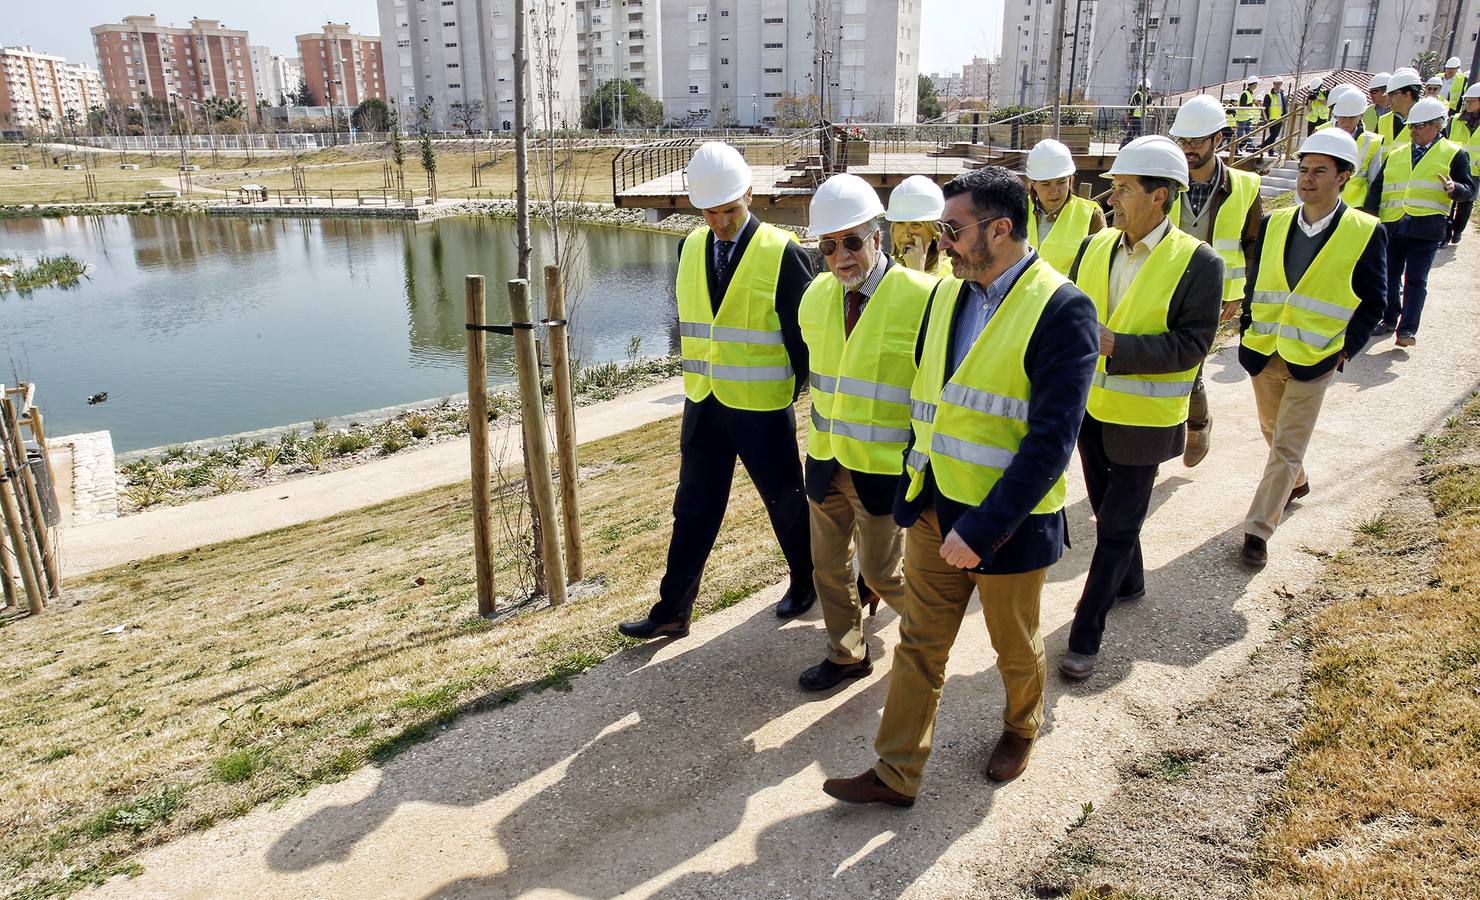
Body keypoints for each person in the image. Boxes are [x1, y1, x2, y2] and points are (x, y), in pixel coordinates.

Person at [821, 167, 1098, 805]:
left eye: (954, 228)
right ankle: (896, 772)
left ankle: (1024, 723)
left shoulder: (1062, 310)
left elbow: (1050, 445)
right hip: (933, 508)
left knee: (1013, 645)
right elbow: (931, 402)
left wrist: (981, 530)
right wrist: (913, 493)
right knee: (920, 641)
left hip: (1006, 527)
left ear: (1000, 229)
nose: (942, 240)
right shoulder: (948, 295)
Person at [618, 142, 817, 641]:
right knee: (693, 508)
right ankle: (673, 609)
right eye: (709, 212)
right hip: (704, 404)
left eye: (729, 210)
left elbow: (805, 342)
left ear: (749, 194)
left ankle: (805, 580)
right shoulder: (688, 248)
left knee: (785, 501)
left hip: (762, 410)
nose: (721, 222)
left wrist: (786, 391)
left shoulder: (782, 251)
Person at [1058, 135, 1223, 681]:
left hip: (1146, 421)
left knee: (1115, 526)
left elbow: (1193, 346)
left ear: (1160, 195)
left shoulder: (1199, 263)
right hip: (1091, 412)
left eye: (1124, 189)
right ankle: (1130, 581)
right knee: (1110, 514)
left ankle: (1086, 632)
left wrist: (1116, 347)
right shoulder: (1094, 248)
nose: (1112, 199)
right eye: (1113, 188)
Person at [795, 174, 936, 691]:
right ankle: (846, 654)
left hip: (883, 468)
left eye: (852, 241)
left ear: (878, 236)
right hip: (826, 460)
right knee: (827, 569)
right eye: (829, 246)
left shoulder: (924, 296)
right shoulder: (814, 298)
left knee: (882, 574)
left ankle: (932, 634)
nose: (841, 256)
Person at [1237, 130, 1387, 568]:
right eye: (1304, 169)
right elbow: (1256, 282)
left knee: (1286, 442)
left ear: (1342, 177)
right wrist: (1248, 325)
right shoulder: (1275, 223)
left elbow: (1375, 299)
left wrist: (1345, 351)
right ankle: (1296, 482)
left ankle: (1258, 529)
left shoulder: (1365, 231)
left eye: (1320, 170)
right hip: (1265, 350)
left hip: (1317, 356)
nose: (1307, 179)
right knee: (1273, 432)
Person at [1167, 95, 1262, 468]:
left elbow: (1252, 245)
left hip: (1215, 293)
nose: (1188, 150)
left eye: (1196, 142)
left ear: (1218, 140)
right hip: (1167, 286)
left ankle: (1197, 424)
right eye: (1183, 142)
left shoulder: (1246, 186)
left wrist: (1240, 295)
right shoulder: (1168, 181)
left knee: (1192, 364)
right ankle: (1185, 424)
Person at [1364, 97, 1474, 347]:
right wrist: (1371, 217)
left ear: (1437, 126)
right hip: (1393, 226)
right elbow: (1377, 189)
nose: (1413, 131)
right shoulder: (1397, 154)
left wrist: (1454, 188)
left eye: (1419, 126)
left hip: (1427, 227)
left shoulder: (1454, 154)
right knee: (1389, 277)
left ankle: (1407, 330)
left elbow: (1469, 190)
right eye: (1411, 126)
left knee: (1415, 280)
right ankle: (1389, 318)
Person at [1025, 138, 1106, 274]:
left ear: (1070, 180)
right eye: (1046, 184)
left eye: (1061, 182)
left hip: (1069, 294)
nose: (1055, 191)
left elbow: (1100, 267)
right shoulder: (1017, 210)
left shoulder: (1091, 214)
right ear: (1033, 184)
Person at [1326, 88, 1385, 207]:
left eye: (1352, 117)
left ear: (1361, 115)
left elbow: (1374, 181)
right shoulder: (1322, 134)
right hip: (1324, 204)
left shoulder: (1372, 142)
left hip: (1355, 207)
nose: (1346, 123)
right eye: (1342, 117)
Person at [886, 175, 951, 278]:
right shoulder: (886, 271)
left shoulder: (953, 272)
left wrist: (916, 273)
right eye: (900, 223)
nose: (906, 232)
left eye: (915, 224)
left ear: (934, 230)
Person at [1447, 84, 1480, 244]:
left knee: (1466, 203)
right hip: (1454, 164)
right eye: (1466, 101)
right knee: (1449, 200)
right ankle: (1445, 233)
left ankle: (1457, 231)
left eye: (1471, 101)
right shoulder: (1455, 121)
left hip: (1475, 170)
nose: (1468, 104)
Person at [1378, 69, 1423, 147]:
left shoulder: (1427, 123)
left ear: (1407, 95)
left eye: (1392, 94)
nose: (1388, 99)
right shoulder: (1383, 121)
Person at [1263, 76, 1290, 149]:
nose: (1277, 85)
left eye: (1279, 84)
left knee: (1275, 135)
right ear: (1273, 84)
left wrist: (1285, 115)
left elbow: (1284, 105)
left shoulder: (1282, 94)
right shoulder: (1269, 95)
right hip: (1272, 117)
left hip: (1280, 117)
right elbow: (1266, 108)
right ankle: (1265, 147)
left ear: (1281, 84)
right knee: (1273, 134)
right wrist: (1267, 118)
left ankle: (1265, 147)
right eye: (1276, 84)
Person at [1238, 76, 1260, 149]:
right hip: (1242, 117)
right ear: (1253, 84)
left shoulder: (1250, 93)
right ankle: (1236, 147)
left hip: (1247, 117)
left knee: (1249, 132)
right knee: (1240, 133)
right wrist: (1252, 103)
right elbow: (1242, 105)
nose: (1257, 85)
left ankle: (1250, 146)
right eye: (1256, 84)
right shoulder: (1245, 93)